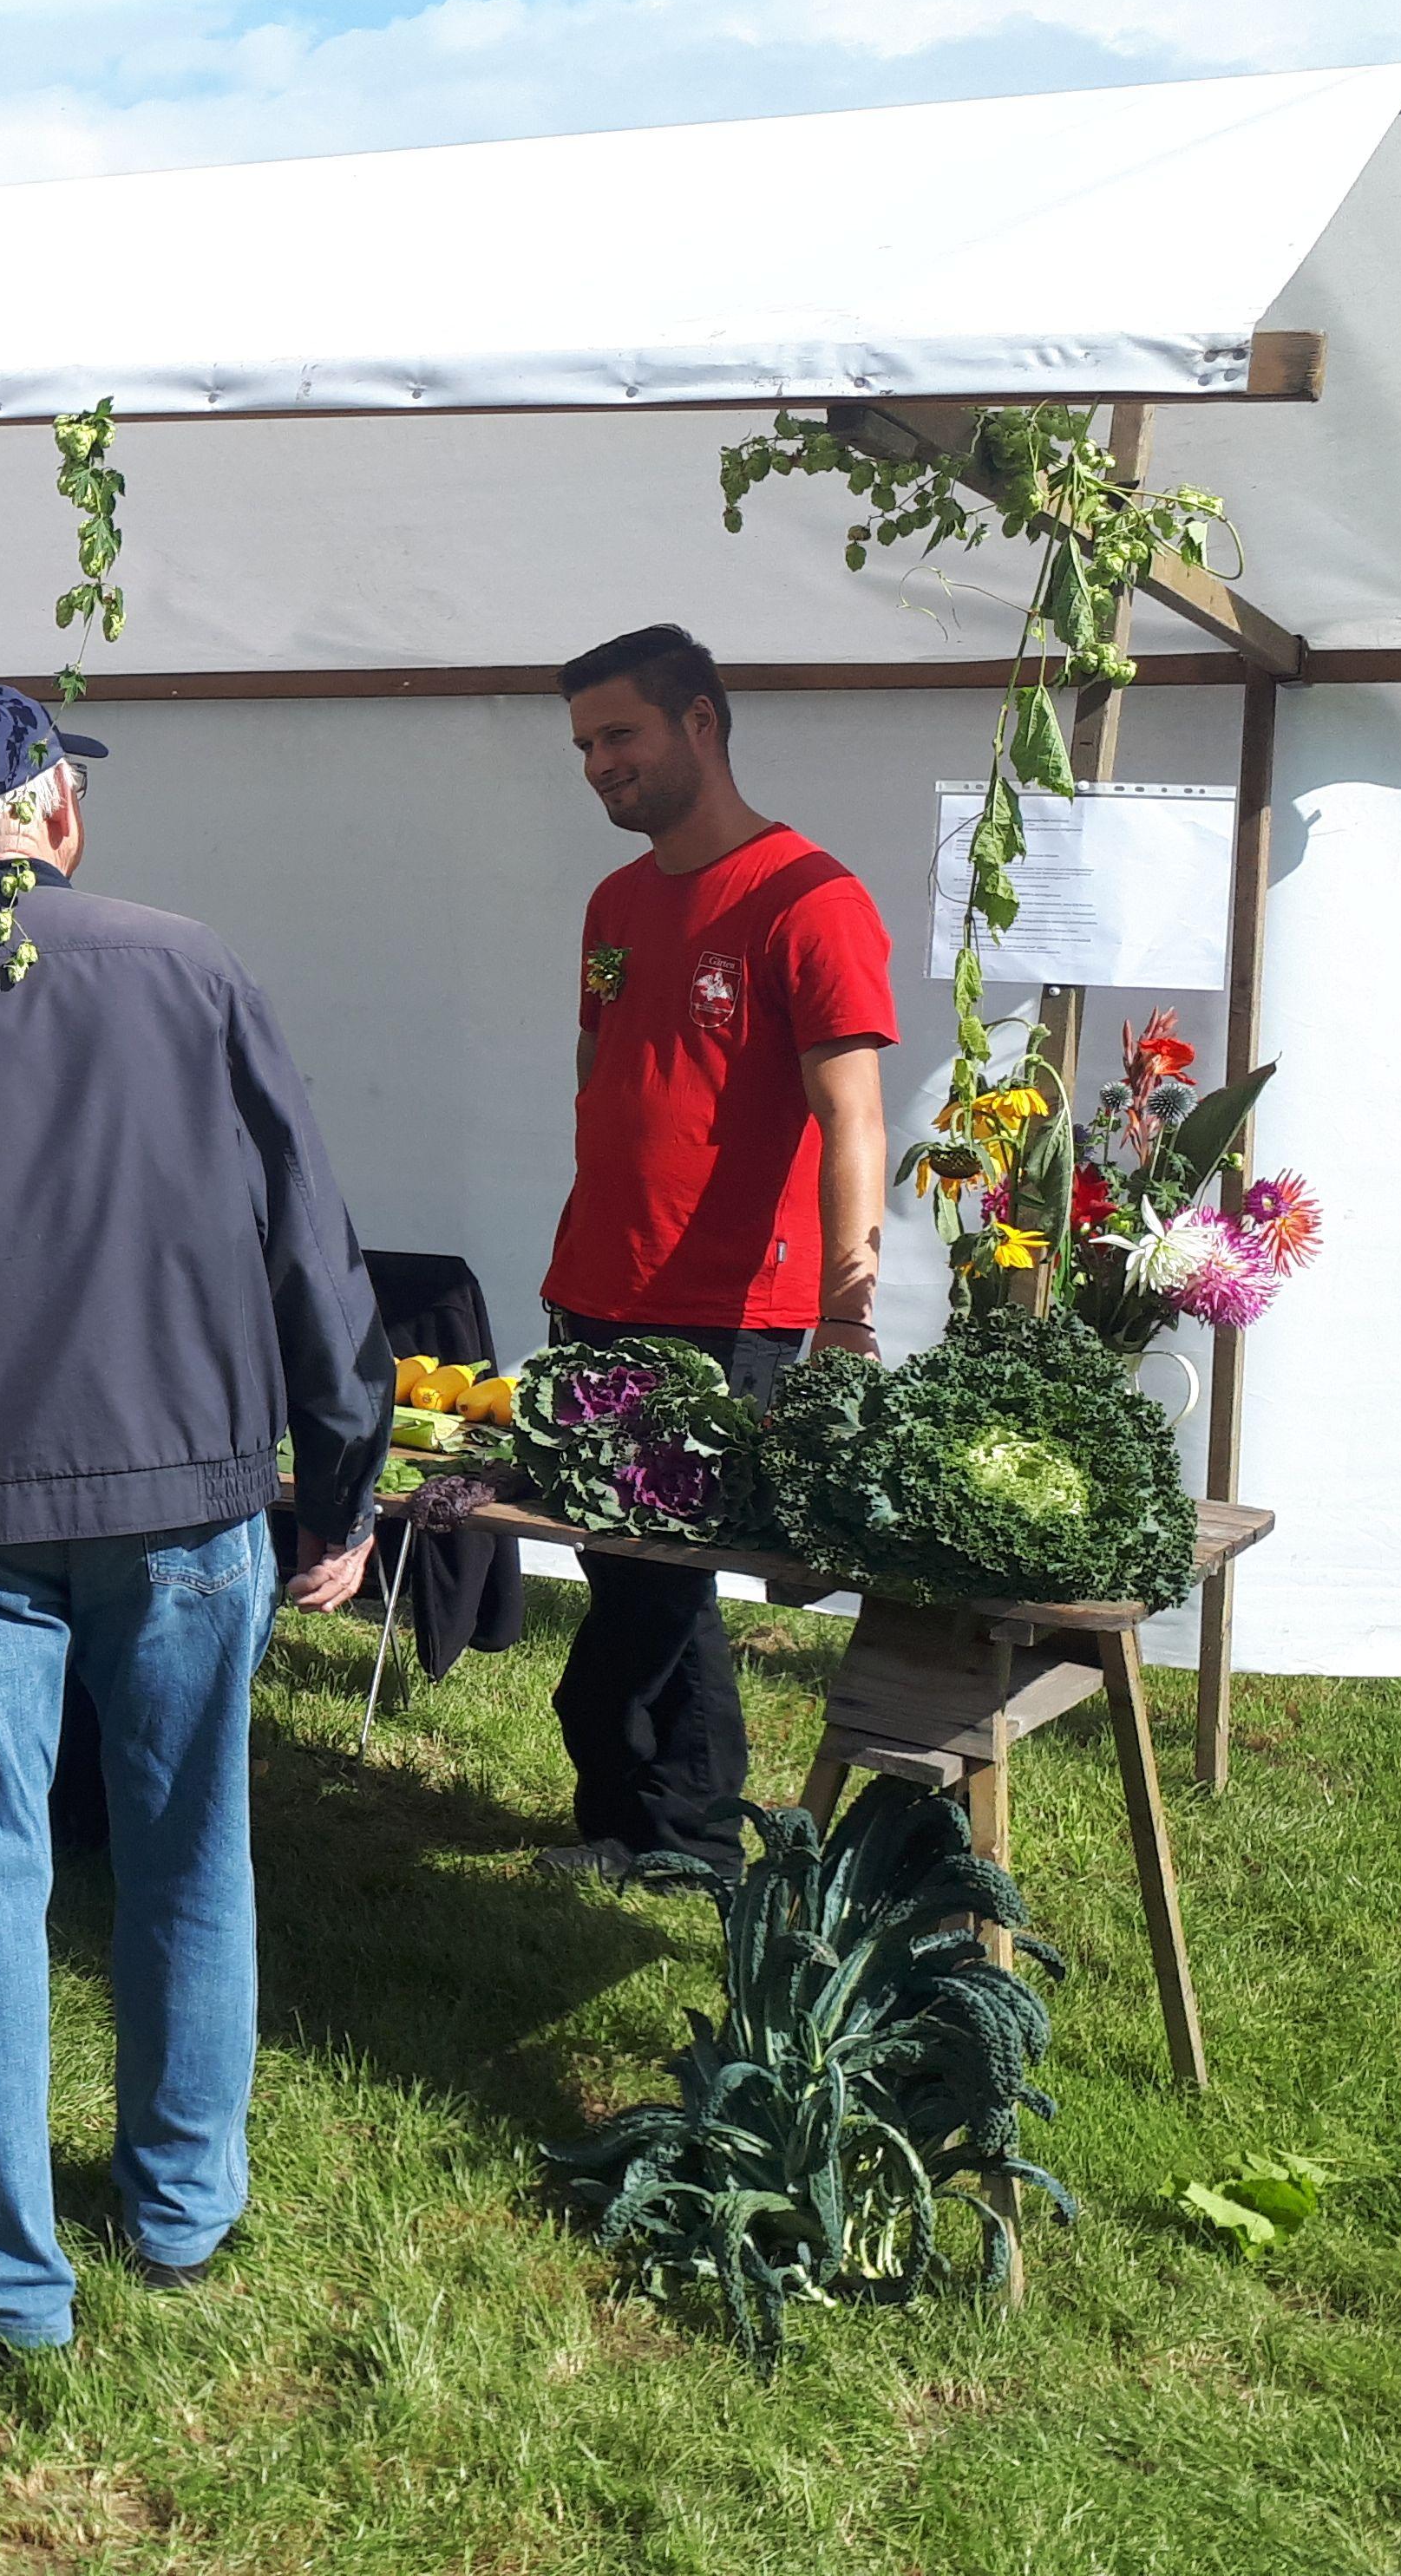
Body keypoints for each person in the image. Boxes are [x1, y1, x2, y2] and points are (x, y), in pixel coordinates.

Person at [0, 683, 390, 2354]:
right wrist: (341, 1482)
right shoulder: (194, 969)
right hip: (184, 1492)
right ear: (52, 810)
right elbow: (313, 1252)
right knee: (191, 1846)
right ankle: (180, 2208)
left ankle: (6, 2292)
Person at [538, 623, 894, 1883]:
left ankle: (675, 1828)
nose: (598, 765)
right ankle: (653, 1826)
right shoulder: (617, 901)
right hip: (597, 1285)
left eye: (619, 735)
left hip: (728, 1307)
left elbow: (853, 1114)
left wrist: (848, 1313)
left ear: (701, 722)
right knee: (621, 1559)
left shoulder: (810, 899)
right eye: (584, 744)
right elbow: (606, 1069)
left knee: (662, 1577)